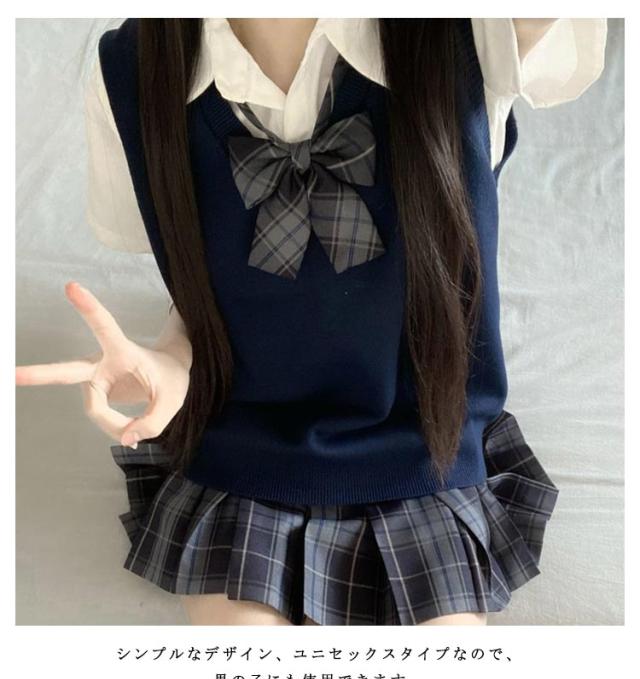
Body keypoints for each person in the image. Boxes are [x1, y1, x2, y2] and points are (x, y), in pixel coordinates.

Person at [16, 18, 608, 626]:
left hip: (422, 446)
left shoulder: (476, 29)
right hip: (243, 447)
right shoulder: (133, 69)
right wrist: (170, 361)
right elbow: (202, 283)